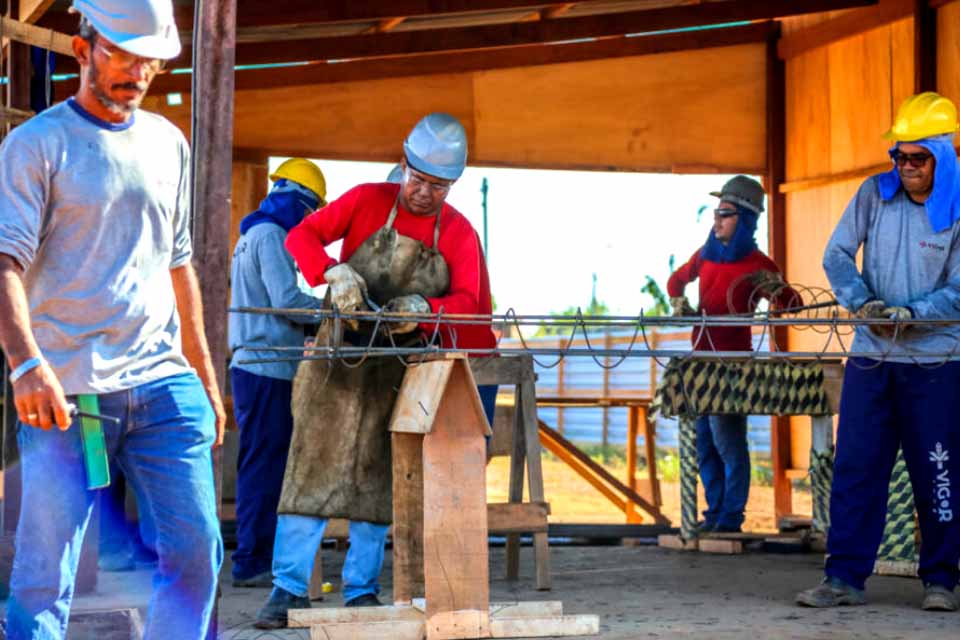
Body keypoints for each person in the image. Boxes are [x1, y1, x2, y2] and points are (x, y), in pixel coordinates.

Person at [0, 1, 224, 638]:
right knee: (47, 573)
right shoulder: (36, 145)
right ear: (82, 49)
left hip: (162, 382)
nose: (137, 70)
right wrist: (26, 366)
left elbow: (180, 264)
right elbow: (3, 263)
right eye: (121, 53)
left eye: (148, 58)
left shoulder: (168, 143)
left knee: (197, 554)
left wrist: (205, 379)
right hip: (66, 392)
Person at [255, 113, 497, 628]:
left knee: (376, 478)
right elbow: (302, 236)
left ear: (452, 184)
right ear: (403, 162)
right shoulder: (366, 199)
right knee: (309, 471)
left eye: (437, 185)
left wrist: (427, 311)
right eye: (417, 178)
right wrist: (332, 271)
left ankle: (361, 592)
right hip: (336, 363)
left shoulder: (458, 232)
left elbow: (473, 308)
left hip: (398, 370)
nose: (424, 193)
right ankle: (287, 590)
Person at [796, 92, 960, 612]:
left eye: (918, 158)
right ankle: (843, 578)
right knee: (857, 466)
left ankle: (941, 581)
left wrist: (919, 313)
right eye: (899, 156)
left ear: (945, 154)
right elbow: (837, 254)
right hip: (871, 355)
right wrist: (861, 302)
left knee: (938, 470)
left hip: (936, 360)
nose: (906, 167)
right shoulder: (874, 193)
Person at [667, 175, 801, 534]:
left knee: (728, 443)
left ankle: (730, 518)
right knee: (704, 445)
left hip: (733, 367)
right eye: (716, 213)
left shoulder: (759, 265)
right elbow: (675, 280)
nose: (717, 221)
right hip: (701, 365)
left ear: (744, 219)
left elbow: (792, 304)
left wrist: (777, 293)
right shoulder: (705, 255)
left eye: (724, 214)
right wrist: (680, 302)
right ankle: (715, 513)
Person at [228, 158, 326, 587]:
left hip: (259, 365)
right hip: (266, 367)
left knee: (261, 463)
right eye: (311, 211)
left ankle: (256, 556)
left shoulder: (252, 234)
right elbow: (286, 299)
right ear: (300, 202)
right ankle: (252, 561)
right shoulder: (270, 236)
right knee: (266, 467)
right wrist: (332, 312)